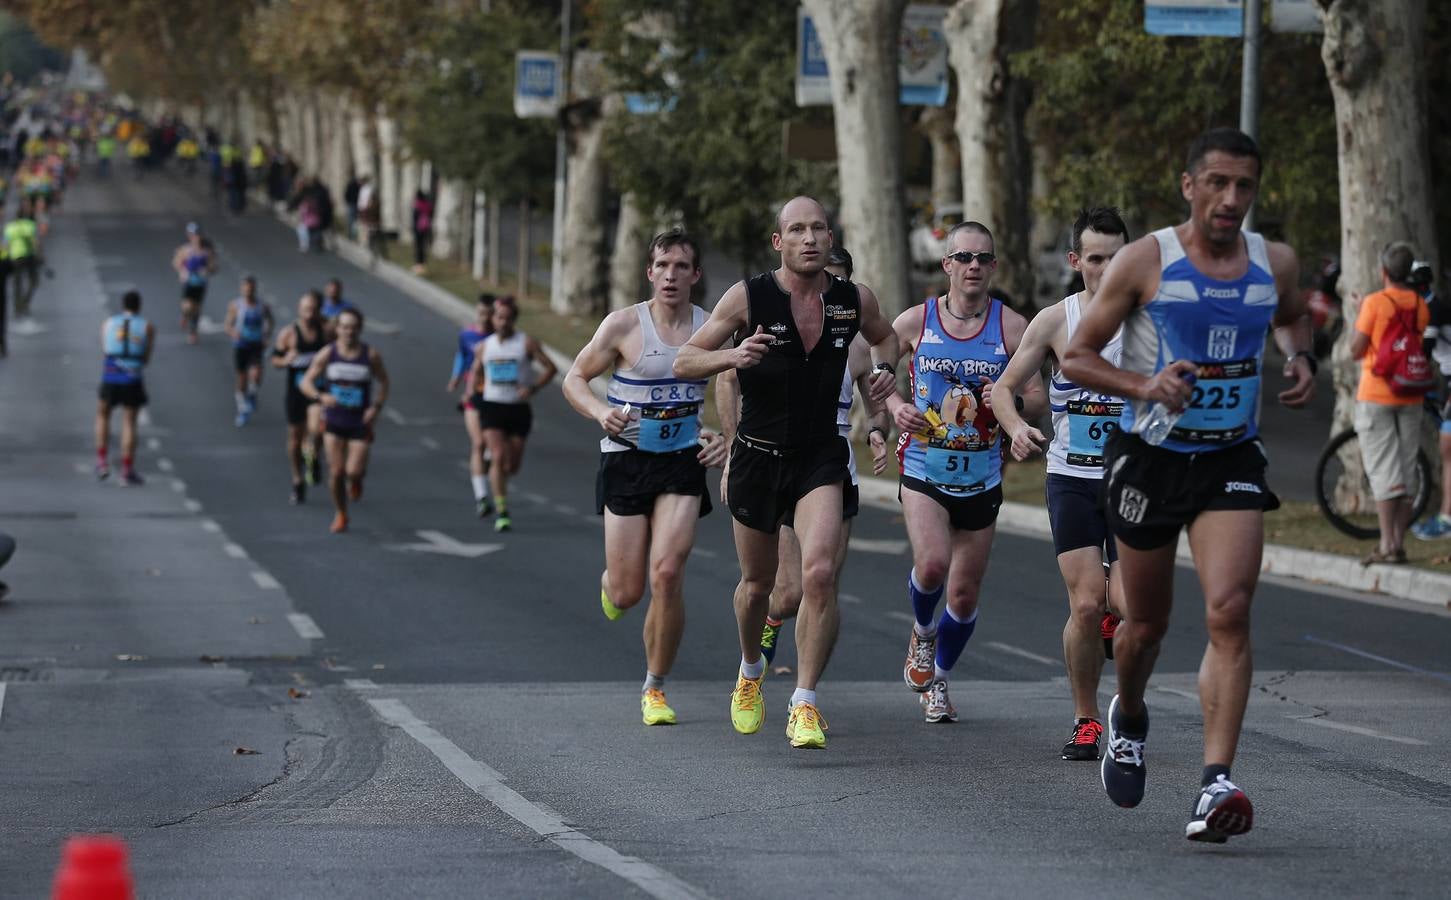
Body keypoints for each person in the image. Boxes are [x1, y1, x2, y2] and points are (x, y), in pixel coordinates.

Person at [1061, 128, 1316, 843]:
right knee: (1143, 627)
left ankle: (1215, 782)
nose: (1231, 198)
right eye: (1217, 183)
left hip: (1229, 459)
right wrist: (1145, 384)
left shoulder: (1274, 262)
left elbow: (1293, 316)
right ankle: (1128, 717)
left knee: (1229, 612)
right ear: (1189, 186)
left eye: (1244, 186)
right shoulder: (1147, 261)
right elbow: (1077, 357)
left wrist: (1300, 358)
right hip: (1149, 459)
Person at [673, 196, 899, 750]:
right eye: (797, 230)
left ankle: (804, 702)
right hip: (757, 455)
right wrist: (731, 357)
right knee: (757, 586)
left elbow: (886, 336)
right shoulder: (748, 297)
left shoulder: (852, 299)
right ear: (779, 242)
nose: (810, 239)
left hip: (820, 455)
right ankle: (751, 670)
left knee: (819, 575)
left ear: (830, 237)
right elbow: (684, 360)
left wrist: (886, 370)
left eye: (818, 228)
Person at [564, 229, 729, 725]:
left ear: (696, 275)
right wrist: (600, 412)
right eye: (663, 266)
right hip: (627, 460)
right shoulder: (623, 324)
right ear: (650, 272)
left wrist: (727, 436)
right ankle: (612, 585)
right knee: (627, 592)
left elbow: (736, 384)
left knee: (668, 573)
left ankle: (655, 686)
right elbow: (575, 378)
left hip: (682, 462)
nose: (671, 275)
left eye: (681, 266)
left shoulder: (710, 328)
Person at [884, 221, 1044, 724]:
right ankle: (922, 632)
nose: (973, 266)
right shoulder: (916, 320)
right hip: (923, 465)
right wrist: (895, 406)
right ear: (947, 264)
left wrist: (1009, 406)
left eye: (982, 258)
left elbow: (1037, 395)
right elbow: (873, 367)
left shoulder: (1012, 327)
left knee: (964, 593)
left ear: (993, 267)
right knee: (933, 565)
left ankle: (939, 680)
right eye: (963, 257)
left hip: (983, 473)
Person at [990, 206, 1130, 759]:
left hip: (1132, 482)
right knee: (1087, 605)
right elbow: (1003, 389)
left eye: (1117, 258)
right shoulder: (1054, 321)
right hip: (1071, 477)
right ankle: (1087, 719)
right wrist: (1017, 428)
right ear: (1076, 261)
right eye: (1096, 259)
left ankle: (1127, 700)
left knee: (1128, 606)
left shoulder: (1151, 321)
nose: (1107, 269)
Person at [726, 246, 891, 668]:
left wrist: (877, 431)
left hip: (831, 463)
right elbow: (727, 380)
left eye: (836, 280)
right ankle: (765, 632)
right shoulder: (774, 322)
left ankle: (806, 690)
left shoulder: (857, 347)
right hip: (776, 456)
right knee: (786, 591)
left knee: (823, 580)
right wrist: (732, 449)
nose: (825, 290)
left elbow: (877, 404)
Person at [1349, 241, 1433, 563]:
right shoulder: (1419, 304)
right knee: (1407, 466)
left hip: (1377, 393)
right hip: (1411, 392)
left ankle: (1387, 544)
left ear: (1383, 270)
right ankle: (1399, 541)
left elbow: (1356, 349)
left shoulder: (1374, 303)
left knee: (1383, 468)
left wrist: (1360, 314)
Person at [299, 307, 390, 533]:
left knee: (353, 471)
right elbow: (305, 382)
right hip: (334, 420)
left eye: (353, 327)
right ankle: (341, 513)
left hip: (360, 422)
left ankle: (357, 480)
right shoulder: (328, 354)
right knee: (336, 472)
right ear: (337, 329)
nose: (349, 332)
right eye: (345, 327)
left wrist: (376, 407)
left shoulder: (370, 355)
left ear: (360, 329)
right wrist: (321, 397)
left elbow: (384, 383)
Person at [472, 297, 558, 531]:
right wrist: (473, 394)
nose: (503, 323)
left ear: (514, 320)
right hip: (492, 407)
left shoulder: (526, 343)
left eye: (508, 319)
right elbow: (476, 372)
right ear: (493, 319)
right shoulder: (484, 346)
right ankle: (502, 511)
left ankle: (494, 466)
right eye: (499, 318)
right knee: (499, 455)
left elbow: (551, 368)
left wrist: (533, 387)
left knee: (511, 466)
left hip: (518, 409)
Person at [272, 290, 329, 504]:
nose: (309, 314)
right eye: (306, 309)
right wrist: (286, 360)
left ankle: (312, 457)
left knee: (316, 429)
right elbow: (275, 360)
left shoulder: (326, 332)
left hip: (316, 391)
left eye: (313, 310)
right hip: (295, 393)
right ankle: (297, 480)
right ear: (299, 309)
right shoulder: (289, 334)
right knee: (295, 440)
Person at [95, 290, 155, 486]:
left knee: (103, 415)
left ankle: (102, 462)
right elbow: (146, 358)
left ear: (123, 305)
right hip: (132, 379)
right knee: (129, 422)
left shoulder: (108, 323)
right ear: (139, 306)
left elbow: (105, 349)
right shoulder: (146, 326)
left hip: (111, 376)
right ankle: (126, 471)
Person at [446, 293, 496, 515]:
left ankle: (487, 468)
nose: (484, 318)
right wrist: (456, 378)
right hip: (473, 394)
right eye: (481, 313)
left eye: (489, 314)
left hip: (496, 397)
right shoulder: (466, 335)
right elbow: (462, 356)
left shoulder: (499, 338)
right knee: (478, 443)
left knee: (492, 449)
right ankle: (481, 497)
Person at [1413, 262, 1451, 540]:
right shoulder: (1424, 306)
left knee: (1448, 447)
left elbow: (1422, 352)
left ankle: (1447, 519)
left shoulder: (1433, 309)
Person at [223, 276, 274, 427]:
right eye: (245, 288)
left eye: (250, 288)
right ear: (241, 289)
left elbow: (271, 321)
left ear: (254, 289)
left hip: (256, 344)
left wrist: (266, 335)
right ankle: (242, 408)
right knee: (242, 378)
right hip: (241, 345)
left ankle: (252, 394)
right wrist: (233, 333)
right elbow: (227, 325)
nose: (248, 291)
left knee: (257, 374)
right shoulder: (235, 305)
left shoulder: (262, 306)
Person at [172, 222, 215, 344]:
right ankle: (185, 315)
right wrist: (182, 271)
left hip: (201, 283)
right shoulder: (185, 249)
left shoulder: (206, 251)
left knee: (197, 308)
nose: (196, 237)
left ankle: (193, 331)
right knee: (187, 306)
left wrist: (207, 270)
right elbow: (176, 263)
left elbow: (213, 266)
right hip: (189, 282)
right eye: (193, 235)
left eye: (197, 234)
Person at [6, 199, 41, 322]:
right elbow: (35, 242)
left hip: (15, 257)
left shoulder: (10, 227)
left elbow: (7, 245)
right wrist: (40, 255)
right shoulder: (30, 225)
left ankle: (17, 306)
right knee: (34, 280)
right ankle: (25, 302)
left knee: (17, 283)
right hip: (29, 256)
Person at [411, 189, 434, 274]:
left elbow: (414, 218)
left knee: (418, 247)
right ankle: (423, 264)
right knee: (423, 246)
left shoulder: (417, 205)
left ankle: (418, 265)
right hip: (426, 228)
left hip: (418, 229)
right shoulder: (428, 205)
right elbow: (431, 215)